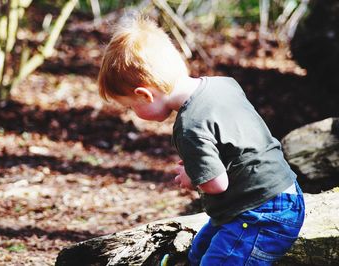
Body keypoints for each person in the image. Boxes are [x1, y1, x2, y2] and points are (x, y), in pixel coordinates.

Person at [97, 16, 305, 266]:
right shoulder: (222, 85)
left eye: (131, 106)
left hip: (261, 213)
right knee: (197, 254)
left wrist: (192, 176)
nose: (134, 113)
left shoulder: (190, 125)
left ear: (145, 94)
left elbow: (216, 184)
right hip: (282, 195)